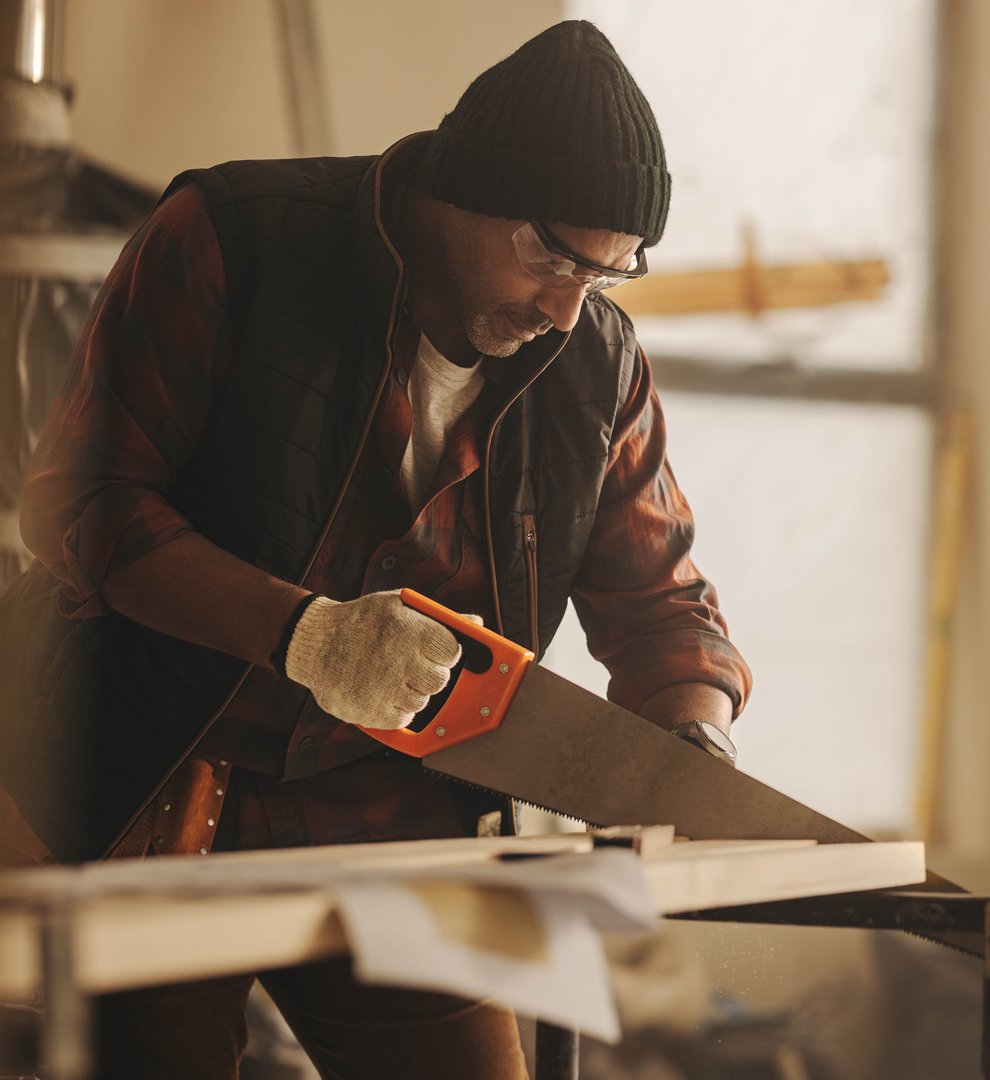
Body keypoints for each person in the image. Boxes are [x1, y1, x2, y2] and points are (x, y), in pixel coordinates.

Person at [0, 20, 750, 1078]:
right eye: (546, 254)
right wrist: (300, 634)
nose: (561, 307)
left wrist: (692, 741)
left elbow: (659, 601)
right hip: (152, 773)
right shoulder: (233, 236)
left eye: (607, 274)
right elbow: (82, 504)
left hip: (394, 807)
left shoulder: (596, 361)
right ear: (456, 188)